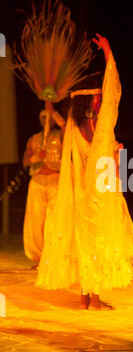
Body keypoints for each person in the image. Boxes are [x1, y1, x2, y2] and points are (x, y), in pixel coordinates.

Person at [36, 34, 133, 310]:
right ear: (90, 104)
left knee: (85, 243)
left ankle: (86, 296)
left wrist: (112, 150)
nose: (101, 100)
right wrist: (109, 54)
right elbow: (113, 92)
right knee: (97, 242)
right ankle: (93, 298)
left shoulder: (76, 128)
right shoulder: (98, 128)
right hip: (98, 195)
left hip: (81, 194)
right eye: (97, 99)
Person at [23, 106, 65, 267]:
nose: (46, 121)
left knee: (52, 221)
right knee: (37, 221)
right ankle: (40, 258)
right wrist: (35, 157)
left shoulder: (61, 136)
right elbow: (25, 161)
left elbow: (65, 127)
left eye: (49, 118)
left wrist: (53, 110)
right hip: (38, 182)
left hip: (55, 180)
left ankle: (52, 256)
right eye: (43, 118)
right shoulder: (33, 139)